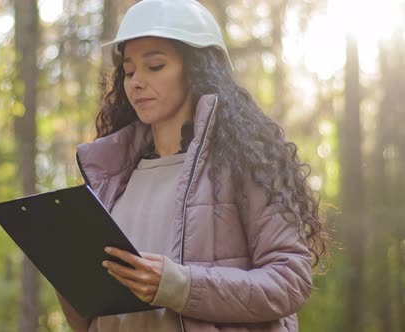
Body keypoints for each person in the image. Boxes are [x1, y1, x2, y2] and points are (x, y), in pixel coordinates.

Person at [58, 0, 326, 331]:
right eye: (128, 71)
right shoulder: (112, 177)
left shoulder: (247, 163)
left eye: (154, 66)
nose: (136, 82)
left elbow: (290, 281)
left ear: (197, 71)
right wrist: (69, 285)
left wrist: (180, 286)